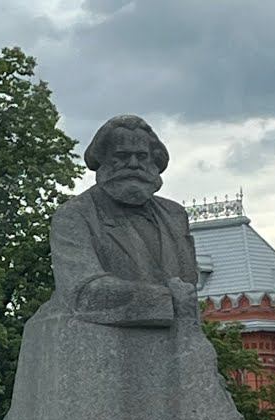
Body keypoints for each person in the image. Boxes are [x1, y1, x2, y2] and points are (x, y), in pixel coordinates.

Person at [49, 114, 198, 327]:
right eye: (122, 156)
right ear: (103, 160)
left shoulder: (174, 215)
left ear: (154, 161)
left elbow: (189, 284)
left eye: (142, 156)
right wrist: (167, 299)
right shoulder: (75, 215)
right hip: (103, 344)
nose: (133, 164)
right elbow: (84, 293)